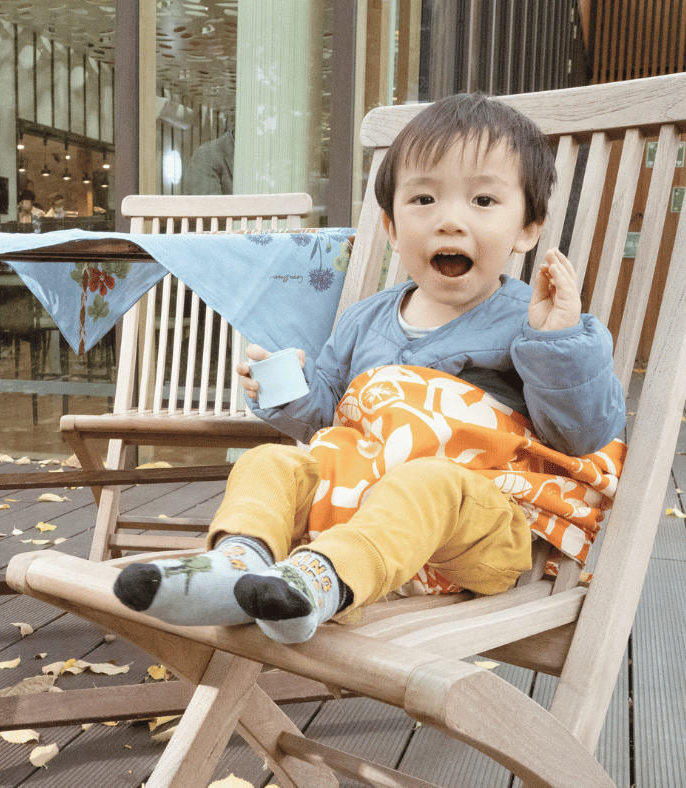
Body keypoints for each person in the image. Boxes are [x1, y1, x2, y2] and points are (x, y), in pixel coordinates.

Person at [112, 93, 627, 644]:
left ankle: (320, 580)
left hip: (479, 534)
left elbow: (581, 435)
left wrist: (560, 341)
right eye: (424, 199)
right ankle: (240, 560)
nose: (450, 221)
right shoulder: (364, 321)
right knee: (270, 463)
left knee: (427, 481)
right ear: (390, 225)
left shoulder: (537, 321)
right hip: (360, 517)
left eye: (482, 200)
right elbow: (326, 420)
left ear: (528, 228)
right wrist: (284, 390)